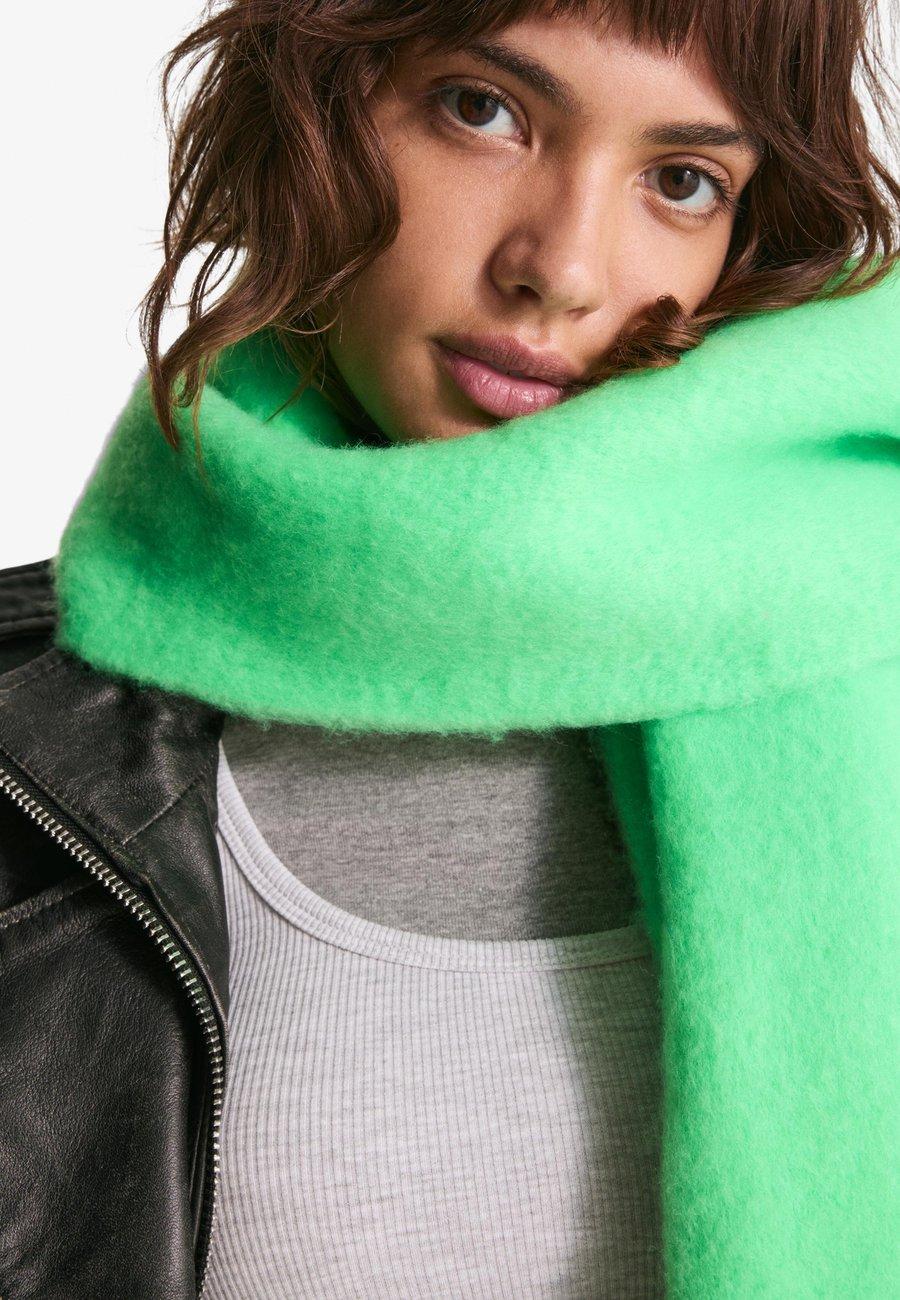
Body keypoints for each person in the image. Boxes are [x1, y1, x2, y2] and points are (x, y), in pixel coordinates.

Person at [1, 2, 898, 1297]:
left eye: (682, 181)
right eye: (483, 110)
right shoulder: (28, 751)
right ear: (318, 102)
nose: (561, 267)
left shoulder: (867, 655)